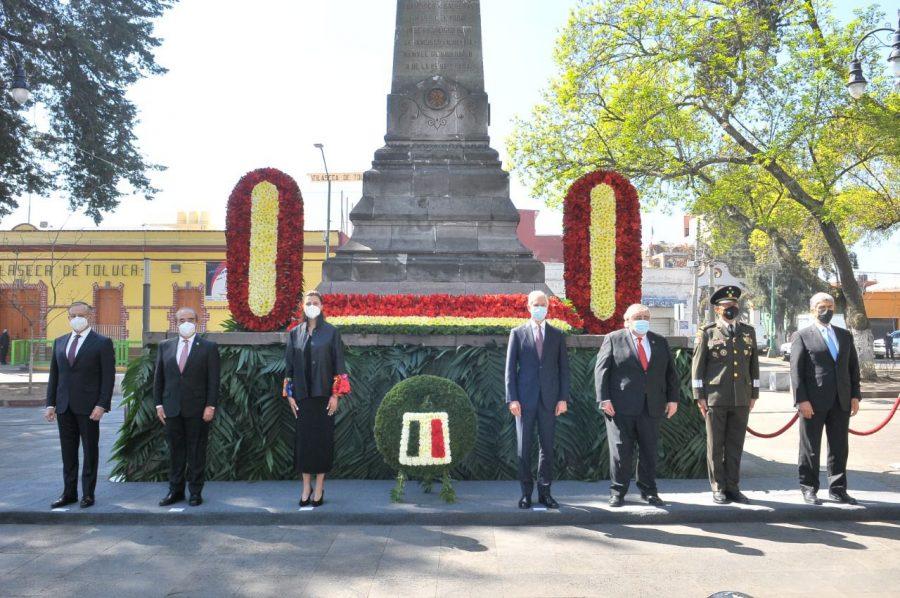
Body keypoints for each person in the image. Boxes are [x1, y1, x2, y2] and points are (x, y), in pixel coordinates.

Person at [595, 304, 679, 507]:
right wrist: (603, 399)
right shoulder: (614, 339)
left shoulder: (659, 341)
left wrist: (673, 399)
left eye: (646, 316)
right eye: (637, 316)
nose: (642, 319)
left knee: (649, 451)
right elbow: (601, 371)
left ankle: (649, 491)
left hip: (652, 406)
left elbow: (670, 374)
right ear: (627, 320)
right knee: (621, 451)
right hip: (620, 406)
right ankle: (618, 492)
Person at [790, 292, 861, 505]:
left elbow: (853, 368)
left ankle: (838, 489)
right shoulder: (802, 335)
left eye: (830, 306)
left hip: (841, 400)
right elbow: (796, 371)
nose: (827, 310)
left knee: (839, 446)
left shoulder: (844, 335)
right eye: (822, 306)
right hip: (813, 401)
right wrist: (801, 400)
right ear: (813, 309)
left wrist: (855, 395)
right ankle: (809, 488)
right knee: (810, 447)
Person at [691, 286, 759, 505]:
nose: (732, 310)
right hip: (715, 397)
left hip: (741, 397)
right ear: (718, 309)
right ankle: (718, 487)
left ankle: (733, 487)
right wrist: (699, 395)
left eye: (735, 306)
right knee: (716, 445)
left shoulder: (748, 331)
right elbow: (697, 368)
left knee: (735, 445)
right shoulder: (708, 332)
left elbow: (753, 365)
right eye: (727, 307)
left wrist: (754, 393)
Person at [44, 302, 115, 509]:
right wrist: (50, 404)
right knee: (68, 453)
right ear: (68, 318)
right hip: (64, 407)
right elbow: (54, 376)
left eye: (81, 315)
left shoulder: (102, 343)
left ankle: (88, 494)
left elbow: (108, 378)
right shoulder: (59, 342)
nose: (76, 318)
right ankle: (69, 493)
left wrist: (102, 404)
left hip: (89, 408)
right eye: (72, 315)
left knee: (90, 451)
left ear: (90, 316)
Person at [505, 290, 570, 509]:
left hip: (550, 401)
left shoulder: (557, 335)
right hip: (523, 401)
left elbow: (564, 370)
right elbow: (510, 371)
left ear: (548, 307)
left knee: (548, 448)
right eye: (536, 304)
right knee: (524, 449)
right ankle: (526, 493)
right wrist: (512, 399)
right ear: (528, 306)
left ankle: (545, 492)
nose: (539, 307)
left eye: (543, 304)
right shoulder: (517, 333)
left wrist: (563, 398)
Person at [283, 291, 348, 507]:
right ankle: (305, 487)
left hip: (324, 397)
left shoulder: (331, 333)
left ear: (322, 306)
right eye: (308, 302)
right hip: (302, 398)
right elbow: (288, 369)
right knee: (304, 443)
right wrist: (290, 396)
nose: (312, 305)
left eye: (316, 302)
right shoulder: (294, 334)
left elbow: (339, 367)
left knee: (321, 442)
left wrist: (335, 395)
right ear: (303, 306)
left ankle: (319, 487)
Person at [154, 307, 220, 507]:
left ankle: (195, 492)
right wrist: (158, 404)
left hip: (198, 409)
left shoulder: (208, 347)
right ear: (176, 322)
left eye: (190, 319)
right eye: (182, 319)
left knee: (196, 451)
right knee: (175, 451)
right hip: (171, 408)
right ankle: (175, 491)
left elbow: (214, 380)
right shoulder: (165, 346)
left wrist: (211, 406)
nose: (186, 322)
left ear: (197, 321)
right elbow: (159, 378)